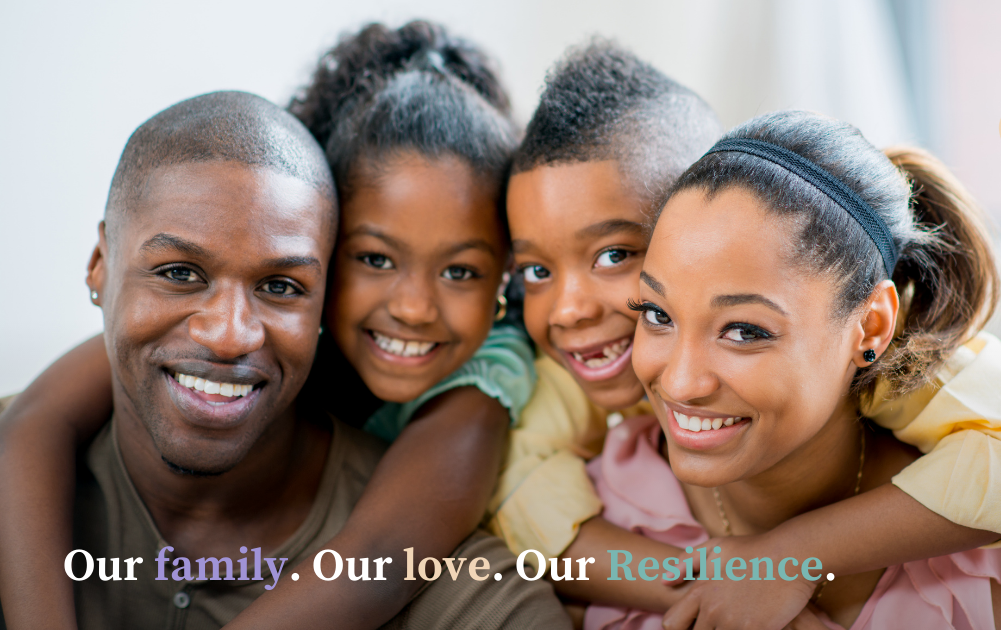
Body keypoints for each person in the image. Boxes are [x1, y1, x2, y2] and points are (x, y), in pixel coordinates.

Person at [492, 41, 1001, 628]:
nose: (567, 310)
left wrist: (789, 558)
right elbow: (521, 496)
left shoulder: (899, 367)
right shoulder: (560, 389)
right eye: (536, 272)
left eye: (615, 253)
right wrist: (730, 588)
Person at [0, 25, 572, 630]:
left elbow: (381, 555)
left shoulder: (474, 411)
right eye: (179, 272)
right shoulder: (47, 443)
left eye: (280, 285)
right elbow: (35, 421)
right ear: (100, 265)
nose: (228, 334)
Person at [596, 112, 1001, 629]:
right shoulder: (605, 507)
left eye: (746, 331)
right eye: (656, 314)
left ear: (873, 328)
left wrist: (790, 560)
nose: (678, 382)